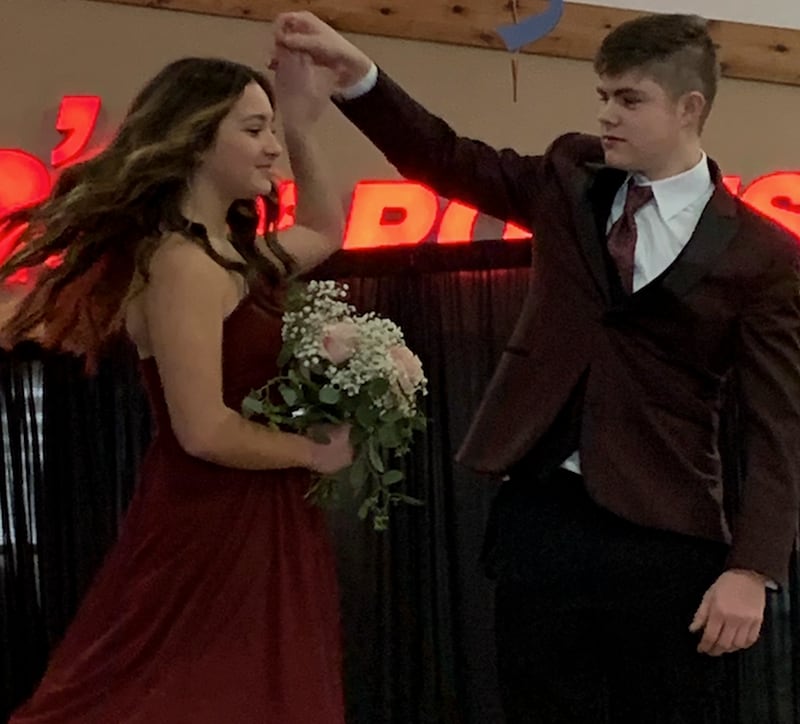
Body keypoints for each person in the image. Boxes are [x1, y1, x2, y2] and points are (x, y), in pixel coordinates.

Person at [274, 12, 800, 723]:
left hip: (665, 528)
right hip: (539, 515)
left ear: (690, 108)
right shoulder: (568, 180)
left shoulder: (762, 255)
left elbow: (779, 427)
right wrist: (358, 76)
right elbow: (446, 157)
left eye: (629, 99)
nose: (607, 115)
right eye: (603, 96)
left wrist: (753, 567)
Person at [1, 51, 352, 723]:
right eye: (254, 129)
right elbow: (203, 429)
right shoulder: (184, 265)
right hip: (210, 526)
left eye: (271, 129)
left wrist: (305, 123)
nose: (271, 147)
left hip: (256, 516)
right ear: (195, 138)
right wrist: (314, 452)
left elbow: (327, 230)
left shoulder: (231, 254)